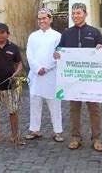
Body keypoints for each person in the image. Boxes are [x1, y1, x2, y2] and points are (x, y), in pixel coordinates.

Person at [53, 2, 102, 151]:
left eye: (78, 13)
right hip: (73, 80)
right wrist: (56, 53)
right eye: (73, 13)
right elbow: (59, 50)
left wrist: (101, 48)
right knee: (74, 109)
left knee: (94, 110)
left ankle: (96, 138)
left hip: (91, 79)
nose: (75, 16)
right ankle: (76, 138)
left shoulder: (94, 32)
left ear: (85, 14)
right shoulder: (66, 33)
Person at [25, 8, 64, 143]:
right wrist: (37, 68)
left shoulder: (57, 36)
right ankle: (35, 129)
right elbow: (29, 55)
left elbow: (59, 55)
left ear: (50, 19)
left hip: (51, 75)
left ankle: (57, 131)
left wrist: (46, 68)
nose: (41, 21)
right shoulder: (32, 36)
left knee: (54, 104)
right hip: (36, 75)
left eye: (44, 18)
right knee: (35, 102)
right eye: (39, 18)